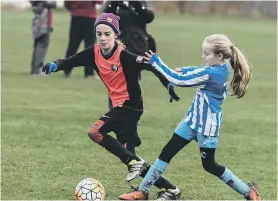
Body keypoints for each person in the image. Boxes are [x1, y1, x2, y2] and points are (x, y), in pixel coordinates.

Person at [42, 13, 182, 200]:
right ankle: (170, 190)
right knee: (132, 159)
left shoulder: (124, 55)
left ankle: (133, 163)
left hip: (129, 107)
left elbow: (149, 65)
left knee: (95, 132)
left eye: (107, 34)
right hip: (120, 106)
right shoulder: (93, 53)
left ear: (116, 34)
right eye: (99, 34)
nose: (103, 38)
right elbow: (72, 61)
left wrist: (168, 84)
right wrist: (56, 64)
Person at [119, 34, 261, 200]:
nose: (203, 56)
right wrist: (186, 69)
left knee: (209, 165)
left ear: (219, 56)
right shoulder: (219, 68)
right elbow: (198, 70)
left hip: (207, 127)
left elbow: (177, 80)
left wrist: (156, 63)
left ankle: (247, 191)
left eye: (206, 54)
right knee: (166, 153)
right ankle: (142, 191)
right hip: (191, 121)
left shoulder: (212, 74)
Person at [103, 1, 156, 109]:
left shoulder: (140, 3)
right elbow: (105, 19)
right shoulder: (114, 3)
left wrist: (137, 5)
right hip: (118, 45)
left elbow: (149, 17)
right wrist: (113, 5)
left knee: (133, 82)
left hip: (136, 46)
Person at [63, 0, 103, 78]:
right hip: (89, 18)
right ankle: (89, 73)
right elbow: (100, 2)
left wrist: (74, 10)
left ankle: (67, 69)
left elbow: (66, 3)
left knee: (72, 46)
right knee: (89, 46)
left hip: (76, 17)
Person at [30, 1, 56, 76]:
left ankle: (35, 69)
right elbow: (53, 4)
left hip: (38, 24)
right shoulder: (43, 3)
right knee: (42, 46)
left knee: (38, 46)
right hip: (43, 25)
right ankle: (37, 70)